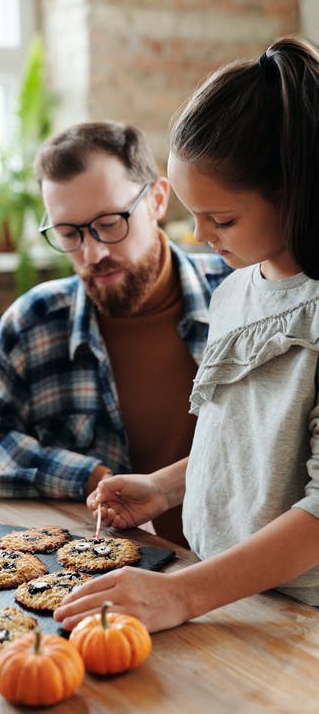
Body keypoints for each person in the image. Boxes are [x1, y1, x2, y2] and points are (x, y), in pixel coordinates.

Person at [53, 36, 319, 633]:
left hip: (299, 622)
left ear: (297, 193)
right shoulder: (234, 291)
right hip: (228, 597)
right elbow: (248, 443)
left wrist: (179, 597)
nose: (198, 237)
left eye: (221, 219)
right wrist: (165, 487)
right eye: (192, 215)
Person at [0, 120, 231, 545]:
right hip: (111, 573)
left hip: (249, 577)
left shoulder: (244, 296)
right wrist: (89, 476)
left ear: (157, 199)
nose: (94, 253)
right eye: (68, 234)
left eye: (110, 223)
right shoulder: (38, 320)